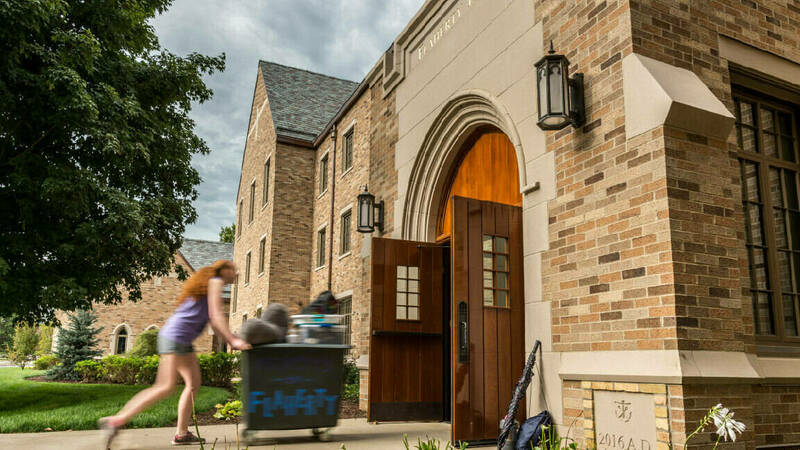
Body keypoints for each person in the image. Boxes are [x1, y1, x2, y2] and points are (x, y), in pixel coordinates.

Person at [99, 260, 251, 448]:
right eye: (233, 270)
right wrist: (233, 340)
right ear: (224, 270)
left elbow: (213, 320)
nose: (235, 274)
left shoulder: (206, 286)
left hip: (180, 339)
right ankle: (116, 421)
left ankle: (181, 433)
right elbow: (217, 315)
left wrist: (231, 336)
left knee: (193, 384)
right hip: (176, 338)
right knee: (164, 386)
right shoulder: (215, 281)